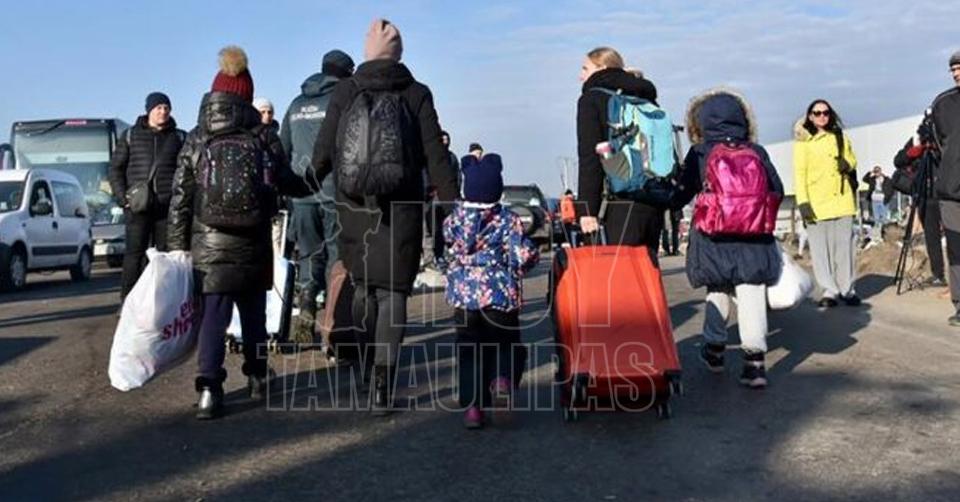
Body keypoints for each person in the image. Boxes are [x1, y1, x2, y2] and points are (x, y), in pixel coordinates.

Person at [312, 19, 458, 415]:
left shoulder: (346, 90)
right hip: (402, 207)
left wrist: (302, 183)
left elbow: (324, 152)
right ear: (398, 52)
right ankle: (383, 383)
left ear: (368, 50)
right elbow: (435, 155)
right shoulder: (417, 92)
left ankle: (364, 363)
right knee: (393, 292)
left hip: (354, 205)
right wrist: (453, 207)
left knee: (363, 288)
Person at [167, 46, 314, 419]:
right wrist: (314, 181)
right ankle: (258, 375)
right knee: (253, 316)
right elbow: (287, 181)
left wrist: (176, 249)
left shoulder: (197, 137)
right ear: (247, 96)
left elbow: (180, 197)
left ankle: (209, 389)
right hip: (252, 242)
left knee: (213, 318)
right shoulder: (262, 135)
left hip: (208, 245)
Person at [674, 88, 784, 388]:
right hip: (753, 236)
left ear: (703, 121)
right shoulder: (756, 151)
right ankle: (755, 365)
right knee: (751, 292)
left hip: (713, 236)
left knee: (717, 289)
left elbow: (682, 192)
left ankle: (714, 350)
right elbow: (777, 190)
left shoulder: (701, 152)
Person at [444, 152, 538, 429]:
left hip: (464, 298)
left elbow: (446, 246)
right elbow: (522, 255)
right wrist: (527, 262)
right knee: (506, 343)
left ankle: (473, 408)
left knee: (469, 349)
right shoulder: (507, 219)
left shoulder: (454, 220)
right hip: (499, 294)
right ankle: (502, 380)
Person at [280, 49, 355, 333]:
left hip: (301, 196)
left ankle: (307, 306)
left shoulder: (296, 105)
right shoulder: (343, 101)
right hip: (334, 193)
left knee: (309, 254)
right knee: (337, 256)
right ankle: (333, 323)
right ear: (344, 73)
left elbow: (282, 149)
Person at [576, 47, 663, 250]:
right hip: (652, 200)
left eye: (585, 68)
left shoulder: (592, 99)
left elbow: (590, 158)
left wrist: (586, 210)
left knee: (614, 268)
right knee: (646, 267)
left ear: (602, 68)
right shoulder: (645, 96)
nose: (581, 76)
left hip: (616, 203)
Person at [109, 92, 186, 302]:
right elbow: (115, 169)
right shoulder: (130, 136)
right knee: (134, 256)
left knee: (164, 257)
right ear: (149, 110)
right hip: (138, 207)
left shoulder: (179, 137)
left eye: (166, 108)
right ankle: (128, 302)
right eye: (158, 107)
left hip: (167, 208)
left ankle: (163, 302)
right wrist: (123, 198)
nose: (163, 112)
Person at [794, 99, 861, 308]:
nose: (822, 116)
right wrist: (803, 202)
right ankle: (829, 290)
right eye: (817, 113)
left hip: (842, 199)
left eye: (825, 112)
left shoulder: (840, 137)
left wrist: (847, 164)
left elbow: (853, 160)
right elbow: (799, 174)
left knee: (845, 248)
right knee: (820, 251)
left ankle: (847, 289)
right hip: (816, 203)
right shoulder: (803, 144)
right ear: (810, 116)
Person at [894, 129, 946, 287]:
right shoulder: (916, 140)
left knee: (953, 236)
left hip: (945, 194)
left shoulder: (945, 137)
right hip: (925, 196)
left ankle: (955, 277)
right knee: (932, 237)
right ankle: (938, 275)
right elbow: (898, 161)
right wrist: (913, 152)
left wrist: (938, 149)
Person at [932, 50, 960, 324]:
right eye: (953, 69)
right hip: (951, 191)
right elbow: (941, 144)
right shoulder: (943, 104)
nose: (956, 74)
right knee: (956, 249)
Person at [862, 165, 894, 244]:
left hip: (883, 200)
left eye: (878, 171)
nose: (877, 173)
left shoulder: (886, 179)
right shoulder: (872, 179)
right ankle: (877, 236)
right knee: (876, 219)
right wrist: (870, 172)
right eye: (875, 171)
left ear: (880, 171)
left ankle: (885, 235)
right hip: (875, 200)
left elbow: (891, 187)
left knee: (884, 218)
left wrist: (888, 196)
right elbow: (864, 179)